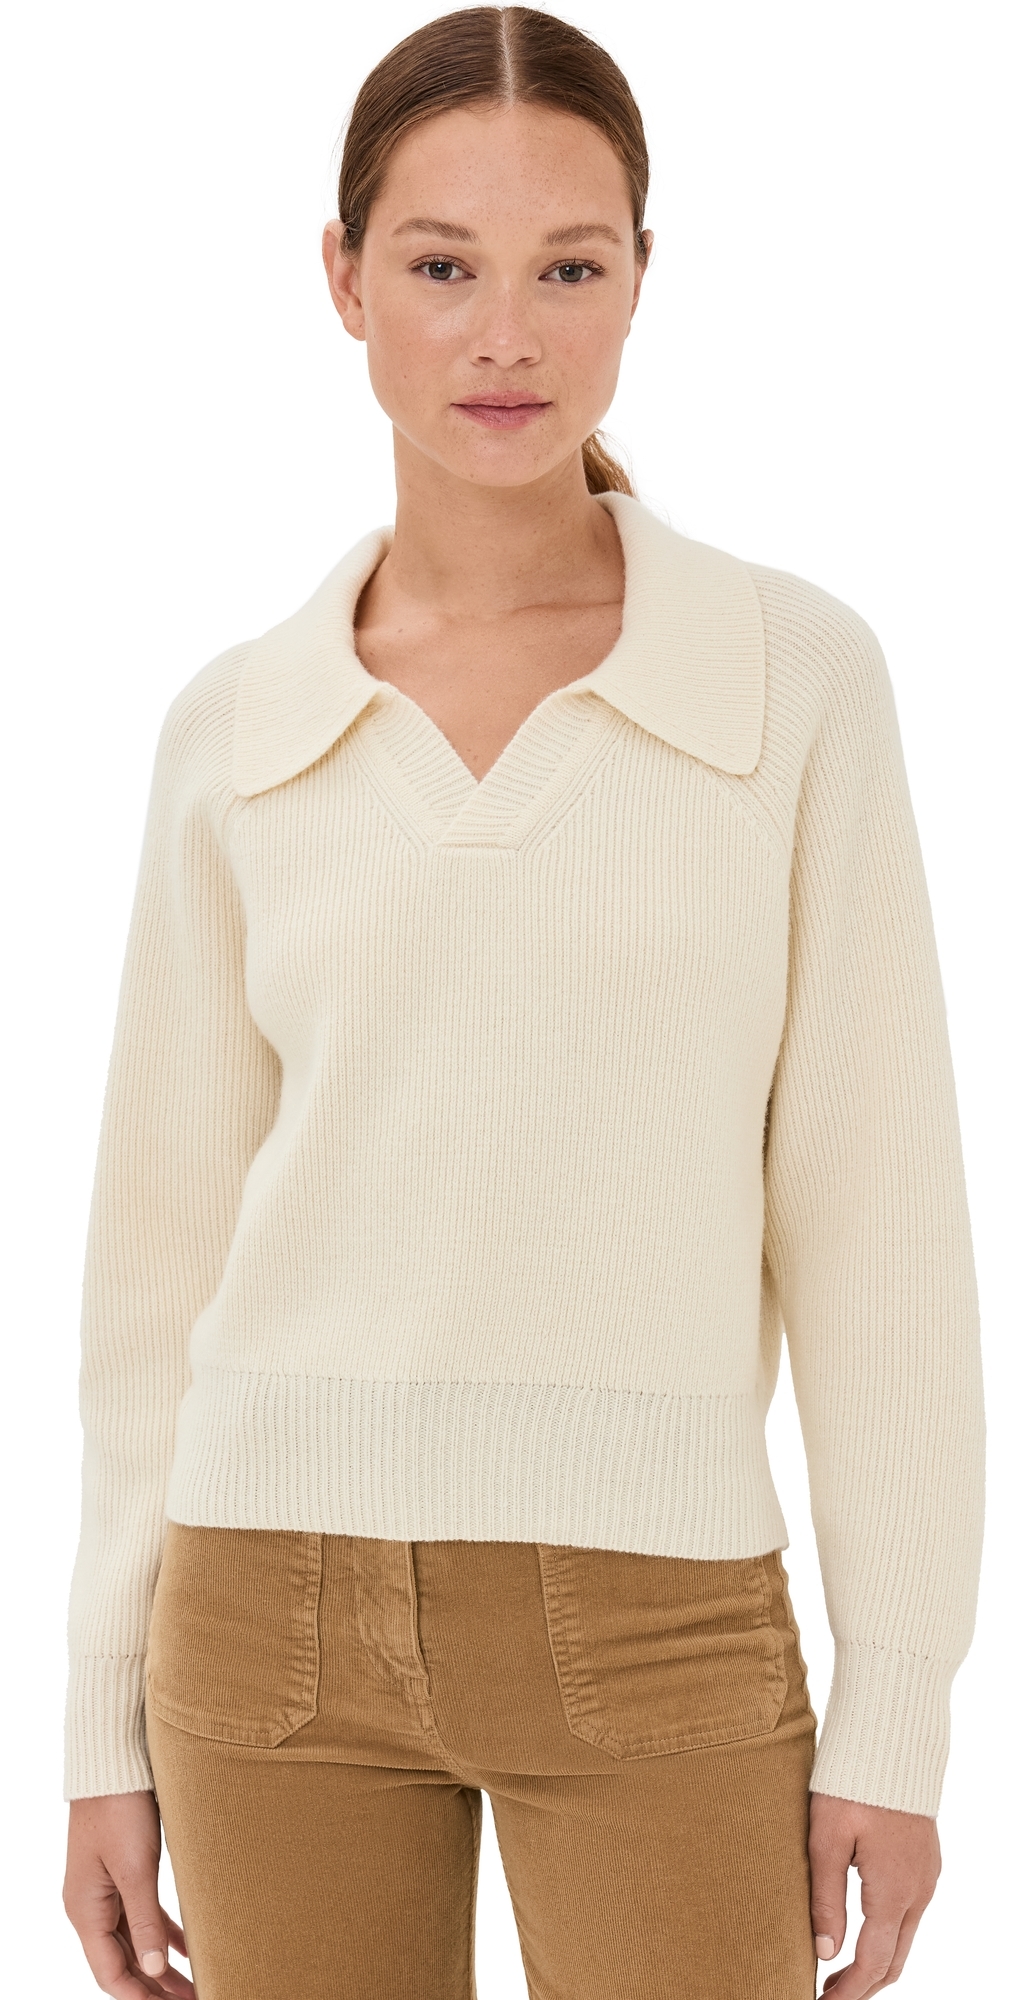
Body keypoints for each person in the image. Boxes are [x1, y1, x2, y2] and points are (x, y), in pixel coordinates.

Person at [61, 9, 984, 1998]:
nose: (505, 336)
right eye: (440, 264)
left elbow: (878, 1225)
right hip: (261, 1628)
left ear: (643, 276)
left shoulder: (793, 684)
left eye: (568, 267)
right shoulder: (238, 727)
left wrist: (897, 1710)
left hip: (663, 1626)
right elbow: (152, 1270)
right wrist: (94, 1725)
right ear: (343, 279)